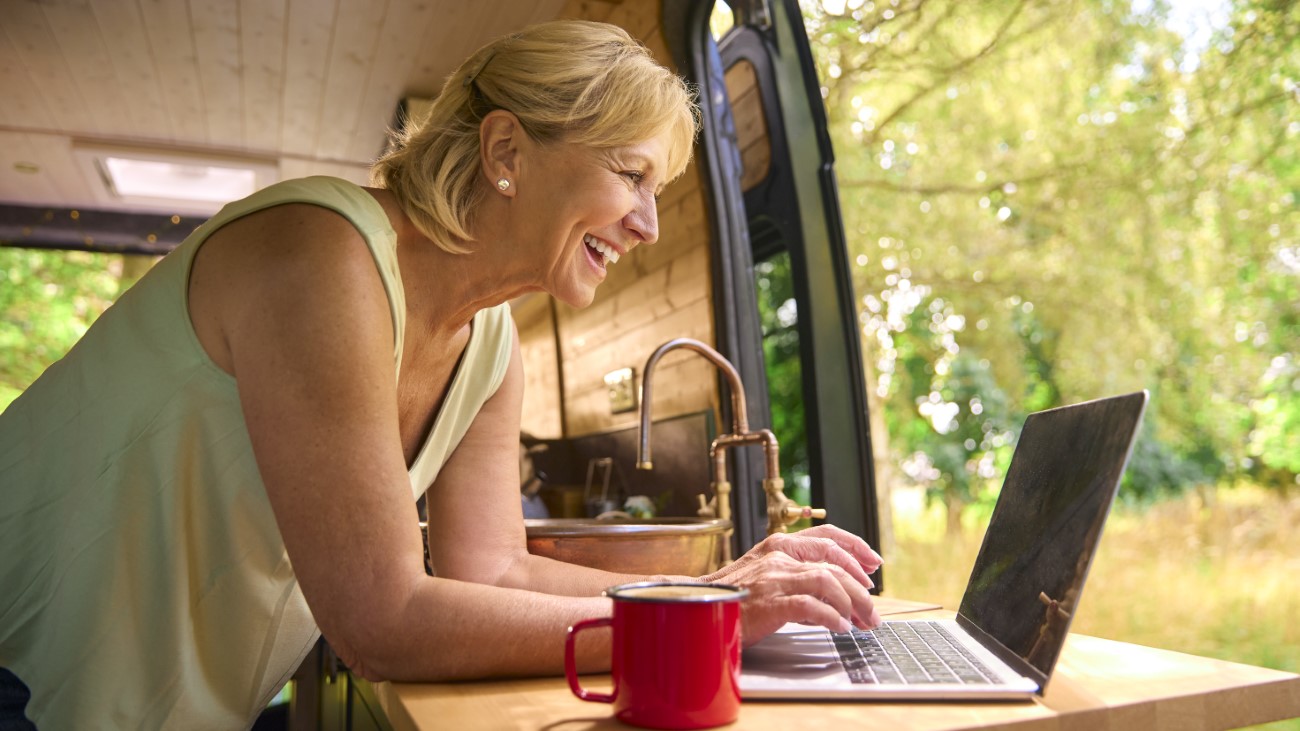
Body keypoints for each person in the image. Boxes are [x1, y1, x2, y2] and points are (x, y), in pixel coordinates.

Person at [0, 20, 882, 729]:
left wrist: (709, 589)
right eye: (632, 175)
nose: (649, 222)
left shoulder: (492, 347)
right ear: (506, 152)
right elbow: (383, 617)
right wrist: (704, 618)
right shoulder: (324, 256)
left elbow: (496, 571)